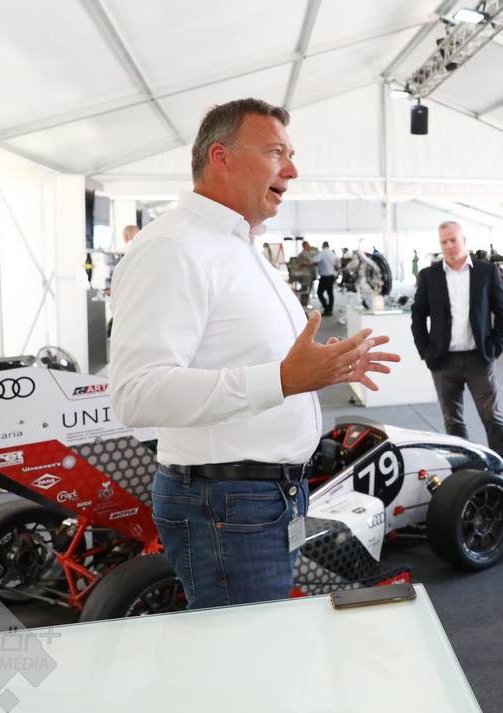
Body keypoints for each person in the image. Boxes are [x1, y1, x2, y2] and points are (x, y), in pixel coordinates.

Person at [110, 98, 399, 610]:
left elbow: (250, 358)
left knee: (259, 645)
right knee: (248, 652)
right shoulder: (174, 246)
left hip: (261, 498)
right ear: (220, 157)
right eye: (275, 152)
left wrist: (321, 367)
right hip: (227, 503)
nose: (292, 170)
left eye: (291, 155)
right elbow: (137, 393)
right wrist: (284, 379)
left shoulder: (238, 246)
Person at [411, 221, 503, 461]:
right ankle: (464, 467)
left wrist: (495, 347)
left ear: (464, 240)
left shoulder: (486, 272)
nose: (449, 246)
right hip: (443, 360)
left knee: (491, 417)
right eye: (443, 242)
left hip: (479, 358)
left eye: (453, 240)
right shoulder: (429, 275)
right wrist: (425, 351)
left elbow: (502, 312)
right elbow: (418, 316)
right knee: (453, 421)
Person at [314, 241, 338, 316]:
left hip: (325, 276)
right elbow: (337, 260)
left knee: (319, 293)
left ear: (323, 245)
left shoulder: (323, 252)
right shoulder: (331, 253)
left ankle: (326, 308)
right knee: (330, 293)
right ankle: (330, 309)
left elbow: (315, 260)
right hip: (331, 275)